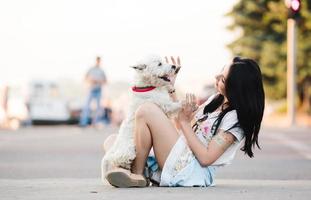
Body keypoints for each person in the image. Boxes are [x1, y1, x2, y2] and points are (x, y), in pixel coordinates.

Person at [104, 56, 265, 187]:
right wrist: (170, 88)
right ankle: (124, 171)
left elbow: (206, 158)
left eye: (222, 78)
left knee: (146, 110)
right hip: (181, 155)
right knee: (112, 140)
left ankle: (136, 174)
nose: (216, 77)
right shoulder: (215, 100)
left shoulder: (234, 121)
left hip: (192, 171)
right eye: (220, 71)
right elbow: (181, 128)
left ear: (236, 87)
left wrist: (185, 123)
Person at [79, 56, 107, 127]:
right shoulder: (91, 69)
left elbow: (105, 81)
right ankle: (83, 123)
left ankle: (95, 123)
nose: (98, 62)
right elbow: (85, 78)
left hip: (98, 90)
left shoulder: (101, 71)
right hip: (91, 89)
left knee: (98, 107)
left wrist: (99, 81)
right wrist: (91, 80)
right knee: (87, 106)